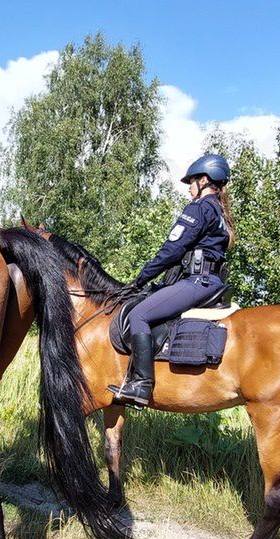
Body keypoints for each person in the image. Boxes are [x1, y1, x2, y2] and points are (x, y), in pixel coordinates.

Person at [109, 153, 234, 406]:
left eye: (191, 182)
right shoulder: (220, 214)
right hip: (212, 282)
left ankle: (141, 385)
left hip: (198, 282)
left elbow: (172, 250)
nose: (189, 188)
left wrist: (141, 279)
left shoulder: (199, 209)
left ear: (204, 180)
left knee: (139, 315)